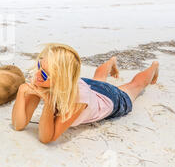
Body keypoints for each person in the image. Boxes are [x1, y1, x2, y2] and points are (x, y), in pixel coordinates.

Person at [11, 43, 159, 144]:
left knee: (134, 86)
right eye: (39, 65)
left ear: (61, 79)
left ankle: (153, 67)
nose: (36, 75)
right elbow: (18, 125)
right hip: (86, 85)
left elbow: (46, 138)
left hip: (108, 99)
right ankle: (111, 62)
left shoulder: (77, 100)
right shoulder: (42, 80)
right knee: (98, 78)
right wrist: (21, 91)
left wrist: (49, 103)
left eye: (44, 74)